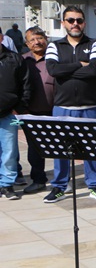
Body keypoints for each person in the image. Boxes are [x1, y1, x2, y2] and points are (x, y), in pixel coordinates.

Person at [43, 7, 96, 203]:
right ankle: (59, 187)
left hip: (89, 107)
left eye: (79, 20)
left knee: (92, 148)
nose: (75, 24)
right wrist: (80, 64)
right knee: (61, 150)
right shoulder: (54, 46)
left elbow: (94, 69)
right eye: (70, 20)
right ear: (63, 23)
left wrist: (67, 70)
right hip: (62, 107)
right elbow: (53, 70)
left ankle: (95, 186)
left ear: (84, 23)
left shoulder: (95, 43)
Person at [20, 27, 54, 194]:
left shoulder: (55, 57)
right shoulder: (22, 60)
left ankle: (63, 180)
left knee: (59, 147)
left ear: (45, 39)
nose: (36, 42)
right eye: (32, 40)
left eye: (39, 38)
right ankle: (38, 180)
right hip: (30, 111)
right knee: (34, 149)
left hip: (56, 110)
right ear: (27, 44)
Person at [0, 32, 30, 200]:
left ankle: (7, 184)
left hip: (8, 113)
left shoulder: (15, 58)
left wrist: (19, 107)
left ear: (1, 37)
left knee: (9, 151)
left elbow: (26, 84)